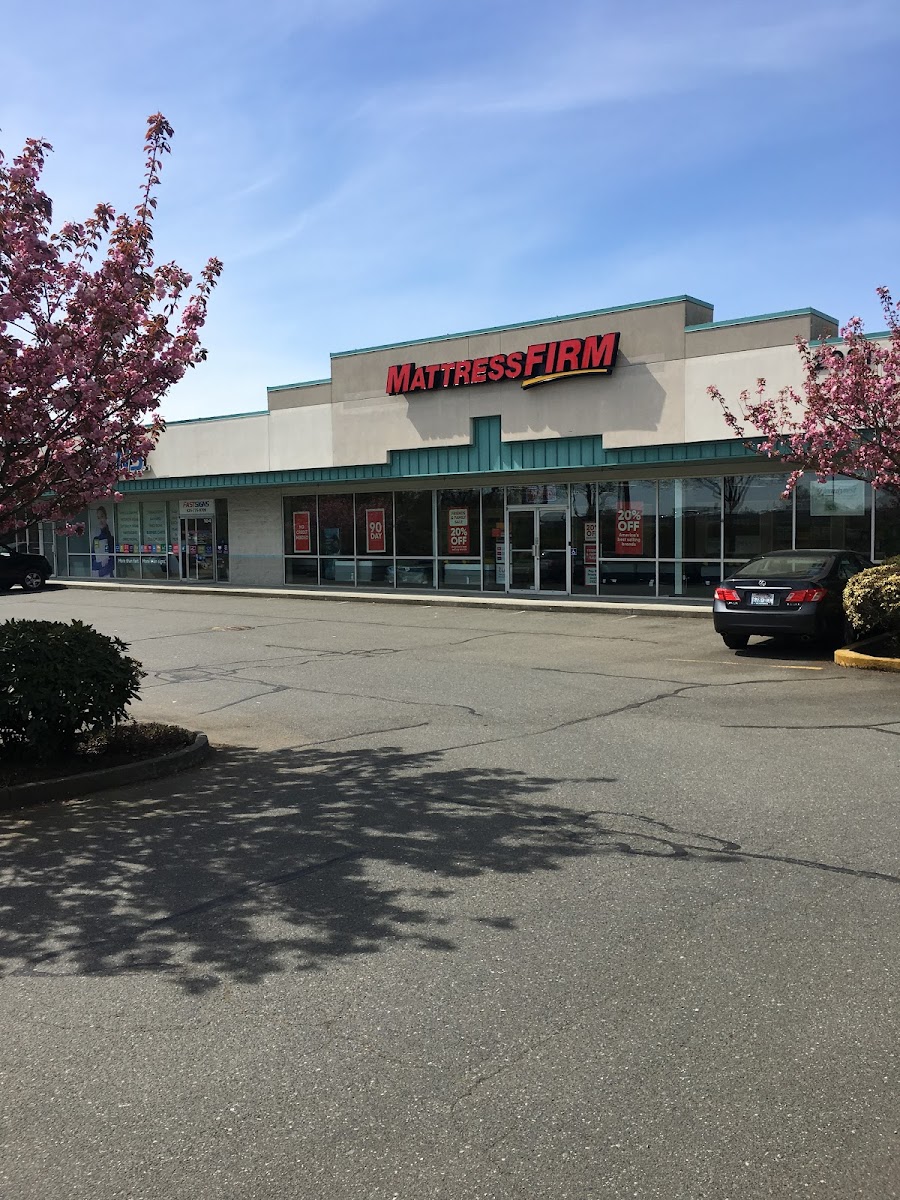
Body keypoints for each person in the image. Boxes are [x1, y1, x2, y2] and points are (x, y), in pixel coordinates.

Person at [90, 506, 115, 578]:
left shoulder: (111, 538)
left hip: (109, 576)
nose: (100, 520)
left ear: (106, 518)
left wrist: (100, 572)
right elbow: (92, 560)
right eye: (98, 518)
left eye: (102, 517)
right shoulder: (96, 539)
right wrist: (100, 565)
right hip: (98, 576)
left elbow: (113, 561)